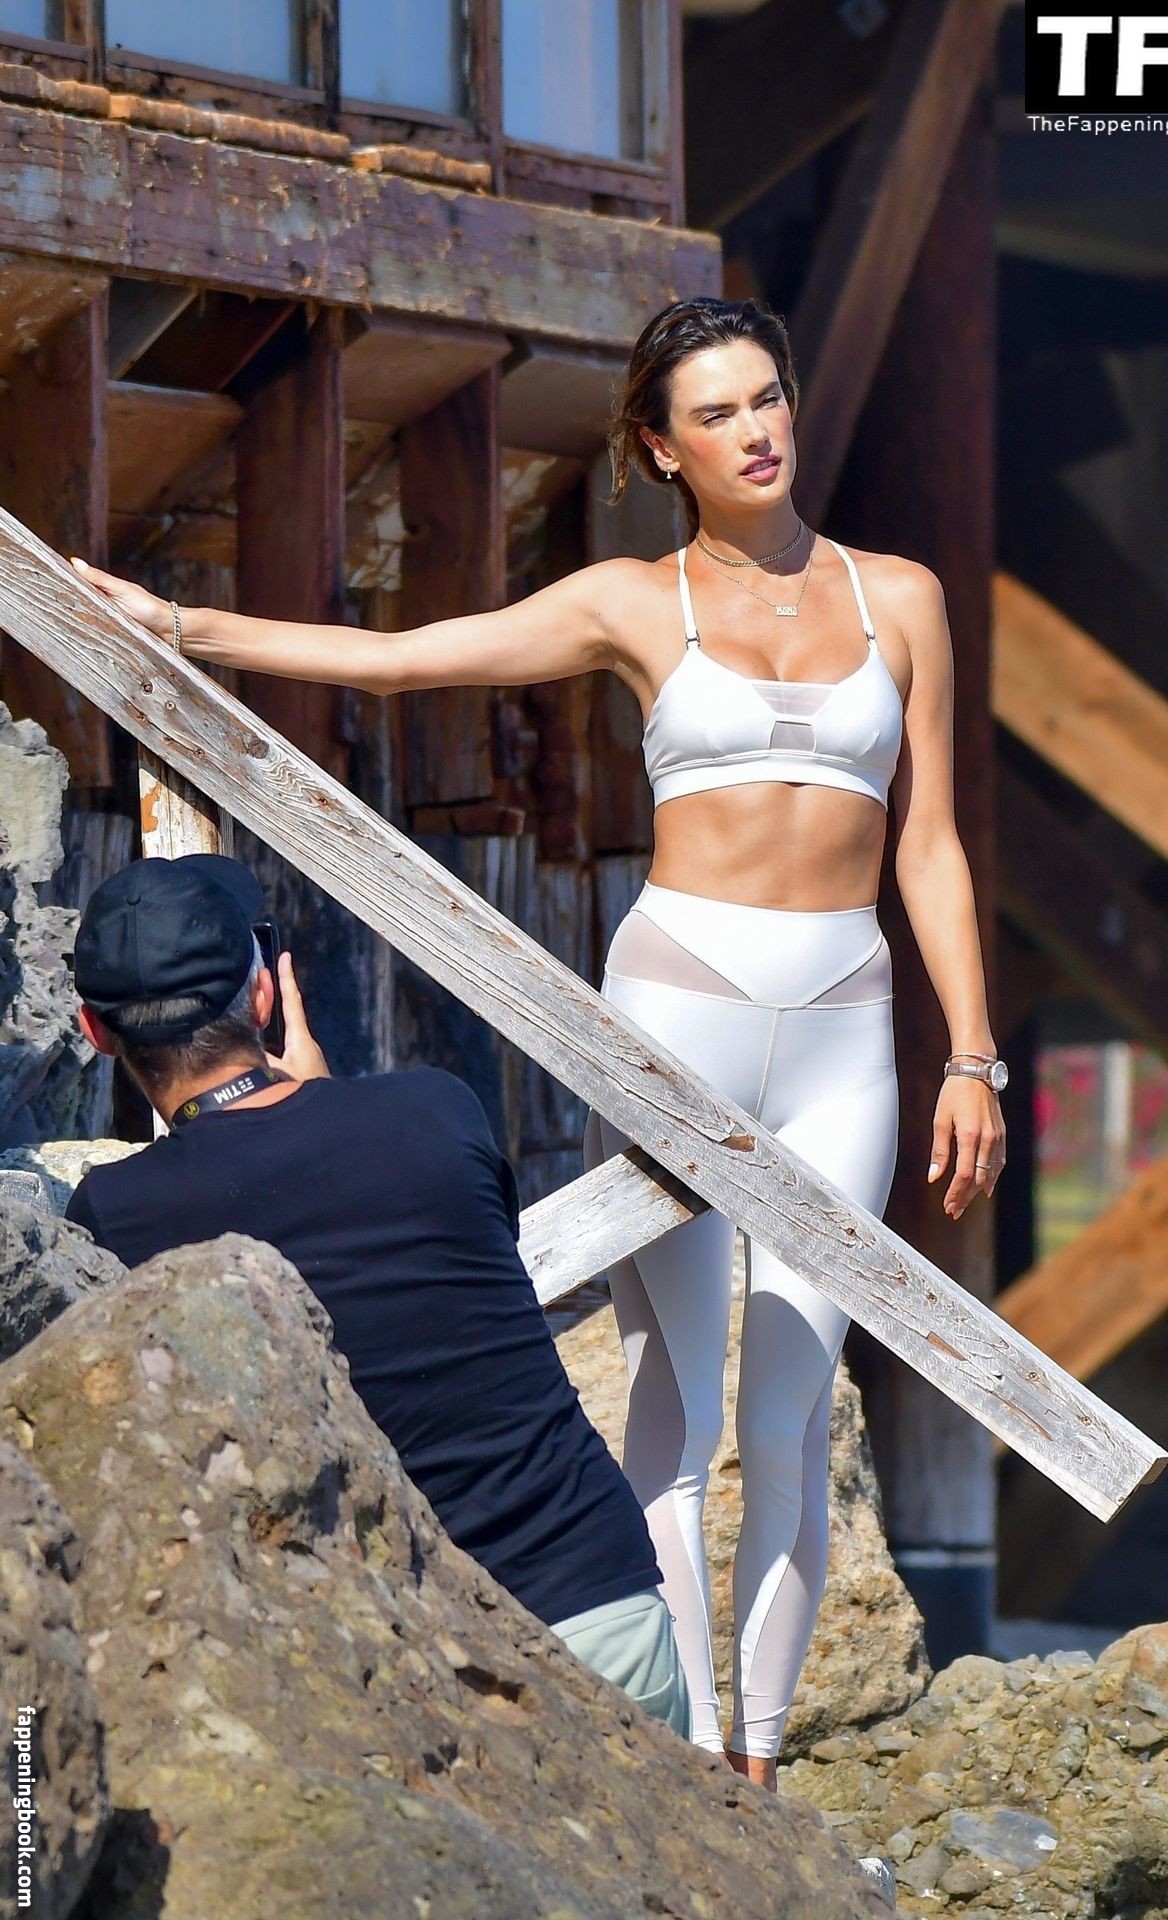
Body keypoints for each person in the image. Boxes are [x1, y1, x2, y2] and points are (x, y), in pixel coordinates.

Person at [69, 293, 1007, 1789]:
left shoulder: (902, 597)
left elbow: (932, 843)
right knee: (675, 1401)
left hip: (846, 1021)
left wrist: (970, 1055)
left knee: (788, 1408)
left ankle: (758, 1768)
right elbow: (416, 655)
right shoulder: (632, 602)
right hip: (677, 1010)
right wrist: (187, 627)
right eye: (715, 413)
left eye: (765, 398)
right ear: (661, 446)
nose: (754, 431)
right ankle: (677, 1757)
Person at [63, 852, 691, 1740]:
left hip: (393, 1669)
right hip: (596, 1610)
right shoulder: (436, 1111)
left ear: (95, 1031)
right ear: (266, 996)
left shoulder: (113, 1218)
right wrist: (318, 1100)